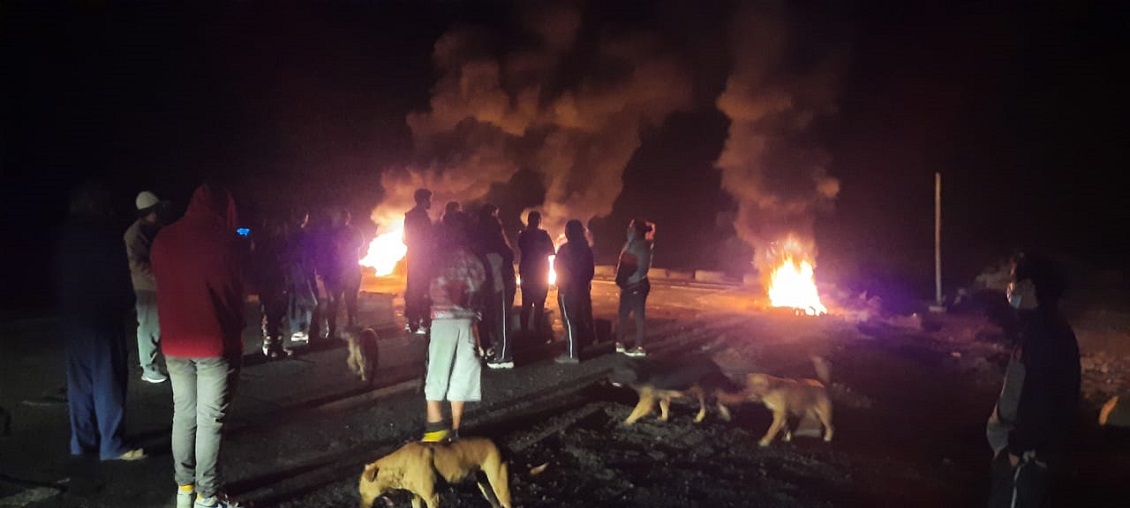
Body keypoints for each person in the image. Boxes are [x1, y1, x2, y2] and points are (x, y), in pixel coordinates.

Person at [151, 184, 246, 508]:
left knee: (184, 415)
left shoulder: (164, 238)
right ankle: (207, 497)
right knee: (210, 422)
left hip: (175, 343)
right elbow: (236, 296)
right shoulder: (228, 242)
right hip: (213, 344)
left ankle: (185, 491)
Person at [53, 182, 145, 461]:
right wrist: (126, 303)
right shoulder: (105, 234)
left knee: (80, 383)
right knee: (109, 381)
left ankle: (81, 441)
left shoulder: (65, 235)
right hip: (103, 317)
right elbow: (118, 278)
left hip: (74, 317)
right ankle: (112, 444)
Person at [986, 252, 1080, 508]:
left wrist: (1016, 451)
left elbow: (1040, 399)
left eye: (1014, 281)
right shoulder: (1040, 327)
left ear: (1030, 287)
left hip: (1026, 458)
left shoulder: (1047, 336)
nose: (1010, 288)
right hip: (1023, 453)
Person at [422, 212, 486, 442]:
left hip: (442, 319)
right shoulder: (472, 258)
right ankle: (457, 431)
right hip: (467, 321)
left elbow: (425, 284)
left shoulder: (436, 257)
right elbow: (480, 284)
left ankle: (435, 428)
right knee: (462, 372)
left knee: (437, 371)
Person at [124, 190, 169, 383]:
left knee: (158, 327)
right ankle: (148, 368)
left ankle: (154, 365)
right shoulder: (136, 233)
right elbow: (137, 263)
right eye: (154, 210)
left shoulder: (154, 228)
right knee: (149, 328)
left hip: (157, 285)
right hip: (147, 287)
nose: (157, 213)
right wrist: (160, 278)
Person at [475, 204, 517, 369]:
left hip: (499, 286)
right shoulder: (496, 248)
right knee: (501, 319)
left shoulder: (488, 249)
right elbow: (509, 256)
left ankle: (504, 356)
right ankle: (502, 354)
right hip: (499, 286)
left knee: (500, 319)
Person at [553, 220, 595, 364]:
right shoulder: (586, 249)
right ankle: (583, 344)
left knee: (569, 321)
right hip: (582, 289)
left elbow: (557, 268)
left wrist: (562, 284)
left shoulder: (565, 249)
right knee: (579, 318)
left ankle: (572, 354)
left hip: (567, 290)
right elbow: (590, 271)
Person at [252, 218, 292, 359]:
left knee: (274, 315)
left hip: (273, 283)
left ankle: (273, 346)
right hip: (272, 283)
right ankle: (272, 347)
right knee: (273, 316)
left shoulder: (265, 244)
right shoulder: (272, 245)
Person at [615, 219, 655, 357]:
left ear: (637, 231)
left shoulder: (638, 246)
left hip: (635, 284)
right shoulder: (636, 244)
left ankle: (639, 347)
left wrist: (620, 280)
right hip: (631, 284)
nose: (628, 230)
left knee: (638, 316)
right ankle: (620, 342)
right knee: (623, 314)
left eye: (631, 227)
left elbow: (627, 267)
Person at [517, 211, 555, 337]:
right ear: (539, 221)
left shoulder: (523, 235)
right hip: (539, 273)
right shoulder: (542, 235)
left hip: (528, 273)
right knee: (539, 304)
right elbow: (551, 251)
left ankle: (525, 331)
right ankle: (537, 330)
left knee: (526, 304)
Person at [328, 208, 365, 331]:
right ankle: (333, 328)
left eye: (345, 218)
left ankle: (349, 324)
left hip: (349, 271)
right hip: (339, 273)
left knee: (349, 300)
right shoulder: (333, 233)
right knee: (335, 302)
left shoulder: (353, 231)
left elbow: (359, 243)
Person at [404, 189, 434, 335]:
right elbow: (429, 238)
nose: (431, 202)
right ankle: (424, 318)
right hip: (423, 258)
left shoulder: (409, 216)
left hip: (413, 257)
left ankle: (413, 319)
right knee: (423, 289)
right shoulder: (421, 217)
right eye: (429, 199)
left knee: (413, 288)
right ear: (423, 200)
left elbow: (405, 239)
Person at [285, 208, 317, 344]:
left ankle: (299, 329)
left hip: (298, 271)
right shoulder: (300, 235)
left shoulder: (290, 234)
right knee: (304, 301)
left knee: (298, 300)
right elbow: (304, 254)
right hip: (300, 271)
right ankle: (300, 329)